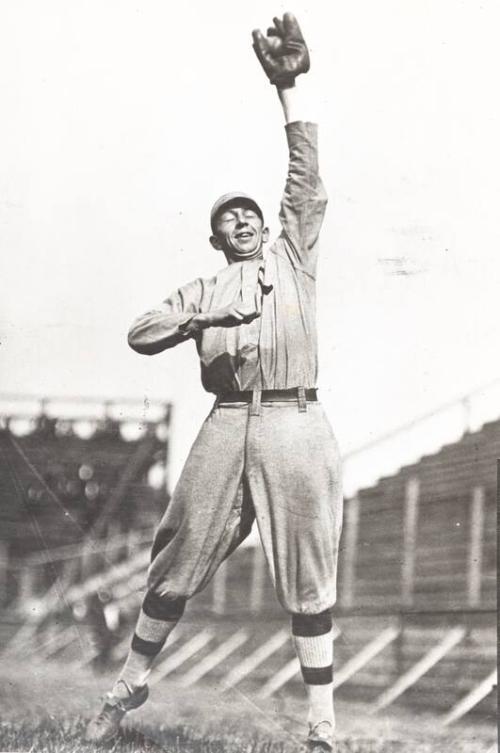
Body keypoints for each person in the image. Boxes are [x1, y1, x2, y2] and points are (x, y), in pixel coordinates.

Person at [85, 13, 343, 752]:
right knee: (176, 557)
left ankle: (321, 721)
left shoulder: (294, 259)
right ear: (216, 236)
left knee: (308, 572)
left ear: (268, 226)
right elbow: (140, 331)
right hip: (228, 420)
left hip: (296, 420)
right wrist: (210, 307)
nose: (244, 221)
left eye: (251, 214)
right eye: (229, 218)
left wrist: (290, 89)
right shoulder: (206, 288)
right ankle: (126, 684)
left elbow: (306, 177)